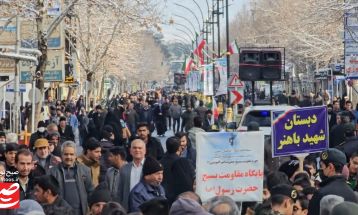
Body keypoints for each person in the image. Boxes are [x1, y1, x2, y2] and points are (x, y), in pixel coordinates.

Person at [49, 141, 94, 215]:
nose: (69, 157)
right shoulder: (53, 172)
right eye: (66, 154)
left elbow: (90, 191)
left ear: (75, 155)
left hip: (80, 212)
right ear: (61, 155)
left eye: (71, 154)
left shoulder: (85, 170)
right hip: (60, 212)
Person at [308, 148, 358, 215]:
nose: (321, 169)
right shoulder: (352, 194)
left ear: (330, 167)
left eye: (322, 165)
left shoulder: (321, 193)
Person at [118, 139, 146, 210]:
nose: (137, 150)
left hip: (145, 206)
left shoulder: (150, 166)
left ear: (145, 151)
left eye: (140, 148)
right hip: (127, 207)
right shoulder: (124, 168)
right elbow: (120, 190)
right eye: (134, 148)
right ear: (130, 151)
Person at [160, 137, 181, 204]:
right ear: (179, 148)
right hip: (176, 196)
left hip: (163, 194)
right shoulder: (181, 162)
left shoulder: (160, 161)